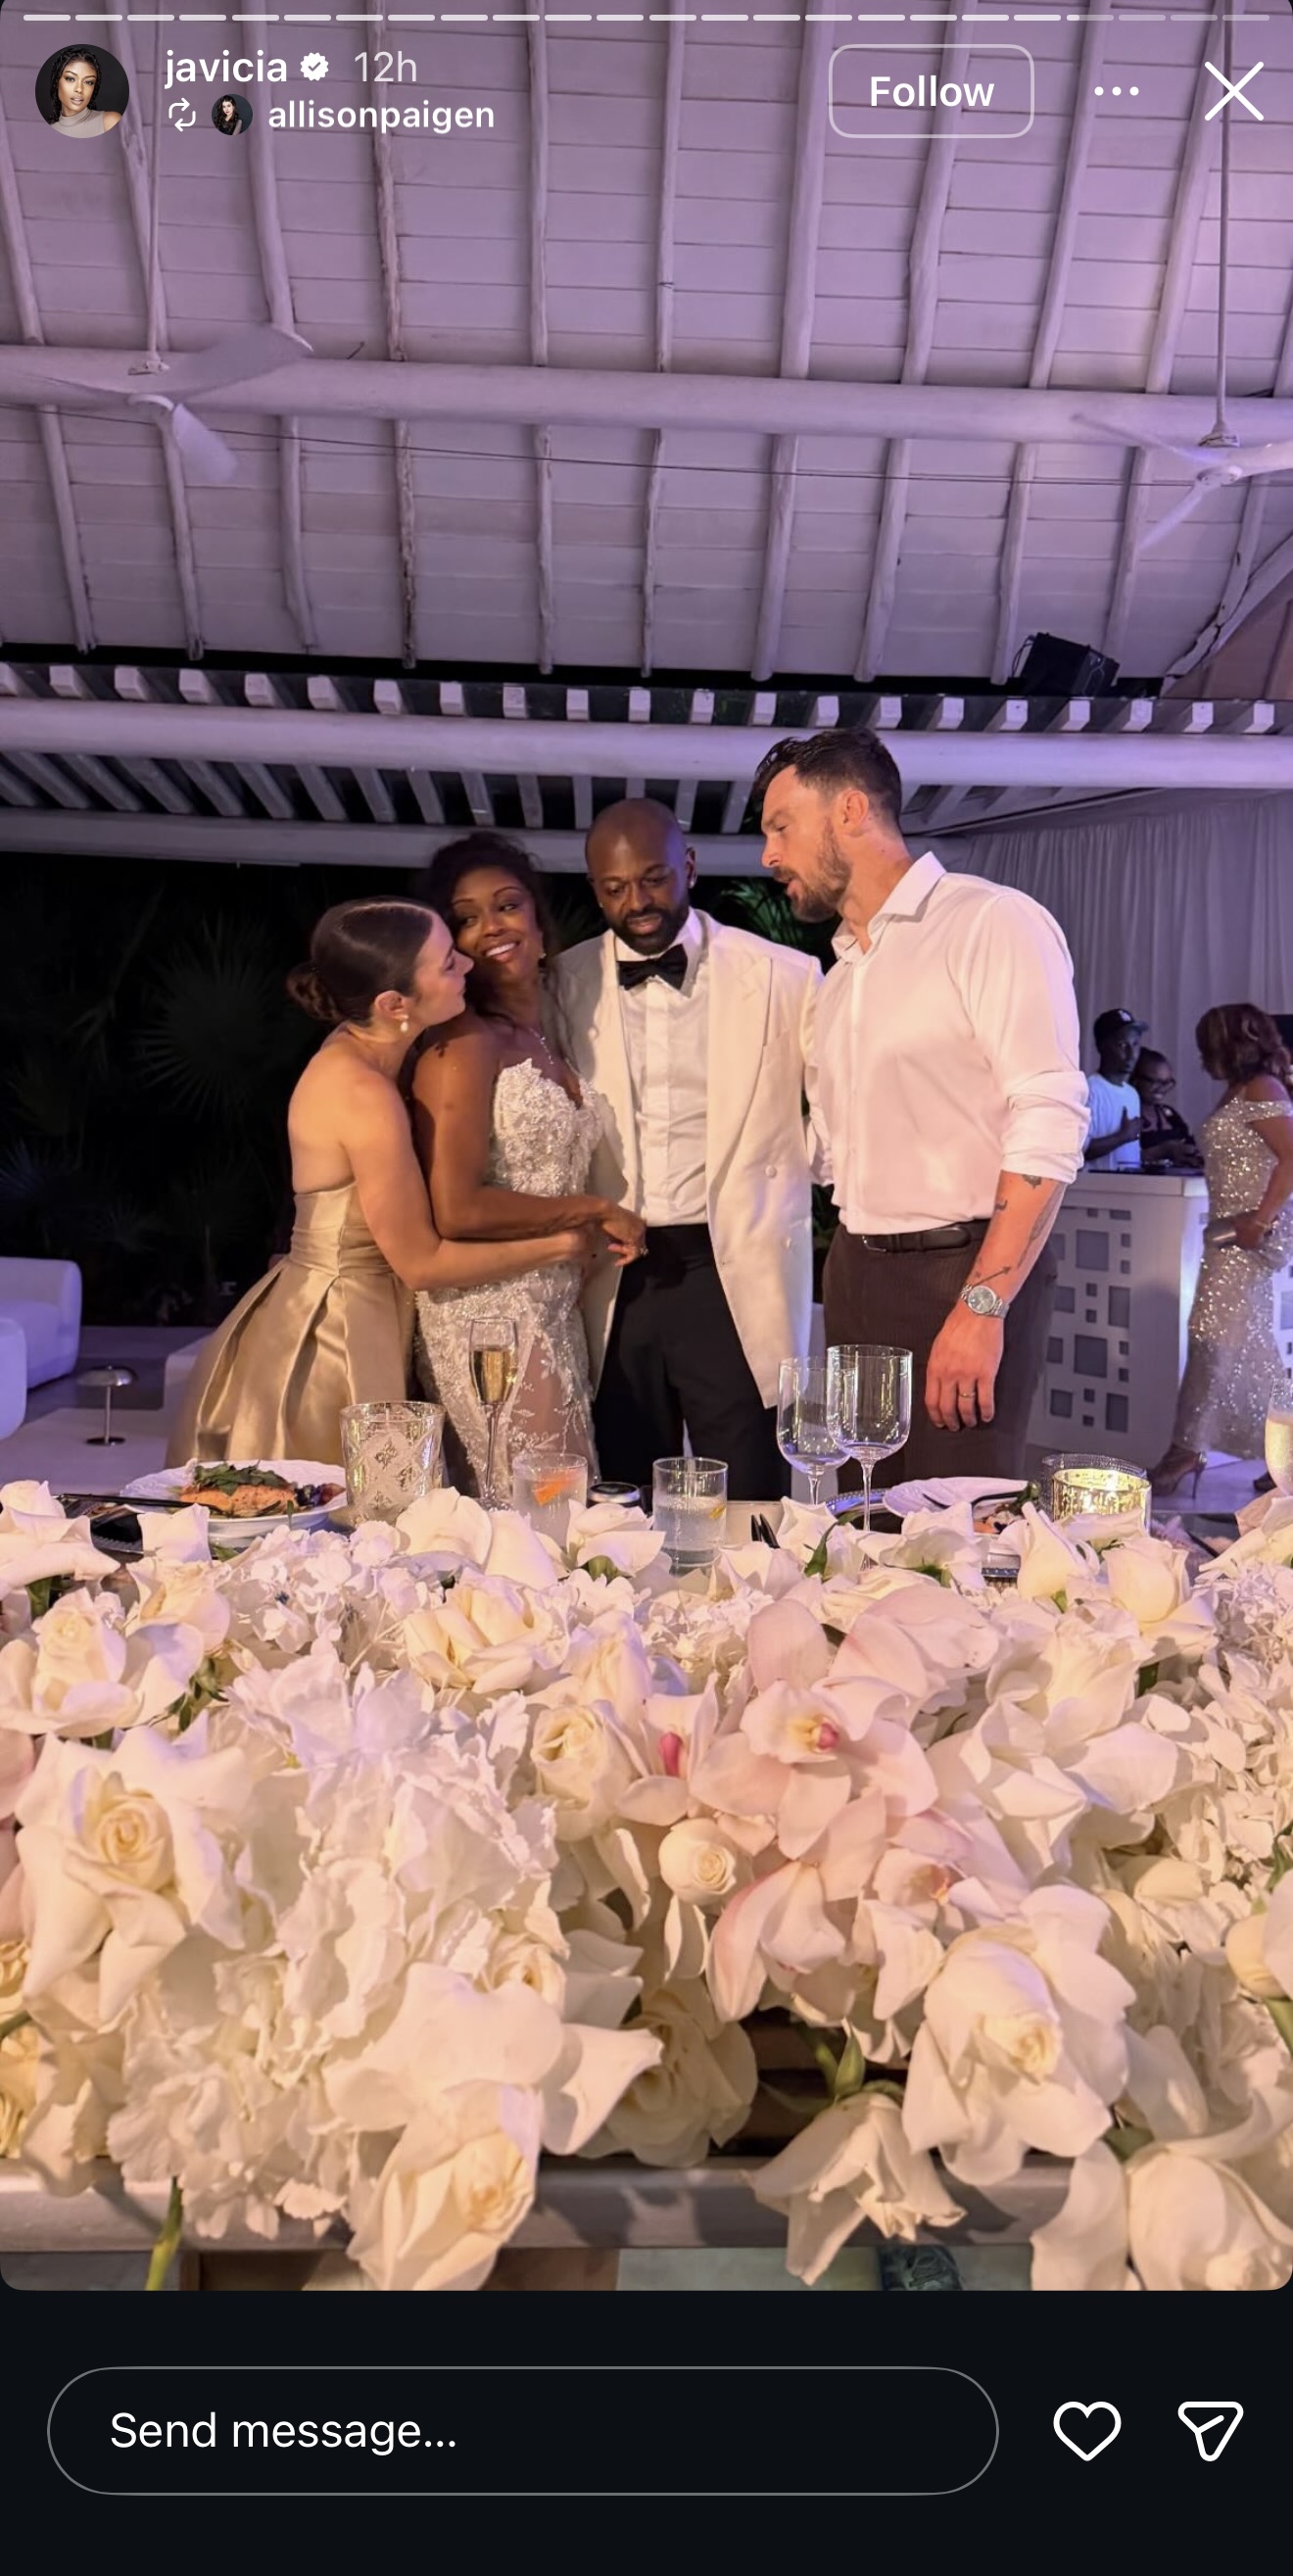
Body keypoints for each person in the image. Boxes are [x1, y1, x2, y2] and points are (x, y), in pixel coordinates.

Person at [755, 726, 1087, 1483]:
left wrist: (982, 1306)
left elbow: (1048, 1116)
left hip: (961, 1271)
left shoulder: (990, 922)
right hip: (855, 1271)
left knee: (957, 1523)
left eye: (781, 826)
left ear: (849, 810)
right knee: (862, 1517)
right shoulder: (839, 978)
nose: (769, 854)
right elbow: (832, 1152)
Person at [168, 899, 588, 1469]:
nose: (467, 965)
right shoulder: (361, 1093)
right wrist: (561, 1246)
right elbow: (421, 1263)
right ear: (394, 1005)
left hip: (371, 1308)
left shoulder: (374, 1049)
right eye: (448, 963)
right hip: (334, 1332)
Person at [553, 798, 825, 1501]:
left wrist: (794, 1175)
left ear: (690, 868)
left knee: (750, 1498)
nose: (637, 902)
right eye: (615, 888)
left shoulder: (786, 976)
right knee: (621, 1501)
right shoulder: (560, 984)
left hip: (732, 1270)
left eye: (654, 879)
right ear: (595, 889)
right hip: (613, 1275)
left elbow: (837, 1112)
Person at [409, 834, 645, 1497]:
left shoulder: (550, 1036)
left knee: (558, 1510)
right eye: (467, 918)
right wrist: (595, 1211)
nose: (492, 927)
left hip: (553, 1308)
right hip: (487, 1318)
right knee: (541, 1516)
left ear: (539, 923)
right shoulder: (463, 1045)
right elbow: (456, 1207)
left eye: (508, 905)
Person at [1151, 1005, 1293, 1495]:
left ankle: (1186, 1449)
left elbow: (1292, 1156)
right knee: (1244, 1342)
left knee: (1210, 1334)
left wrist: (1260, 1221)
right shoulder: (1242, 1089)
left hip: (1248, 1236)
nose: (1200, 1057)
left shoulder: (1263, 1088)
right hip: (1230, 1232)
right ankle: (1282, 1453)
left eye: (1206, 1046)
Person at [1084, 1008, 1147, 1169]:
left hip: (1129, 1184)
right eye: (1122, 1045)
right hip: (1096, 1185)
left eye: (1135, 1044)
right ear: (1101, 1046)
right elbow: (1078, 1150)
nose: (1131, 1054)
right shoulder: (1089, 1090)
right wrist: (1122, 1137)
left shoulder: (1132, 1094)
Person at [1131, 1048, 1203, 1173]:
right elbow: (1121, 1158)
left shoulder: (1170, 1115)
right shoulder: (1127, 1115)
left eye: (1167, 1083)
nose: (1162, 1089)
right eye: (1156, 1082)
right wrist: (1161, 1151)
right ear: (1136, 1080)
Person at [47, 48, 121, 134]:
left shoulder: (110, 122)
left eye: (88, 82)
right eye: (70, 79)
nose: (79, 89)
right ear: (56, 82)